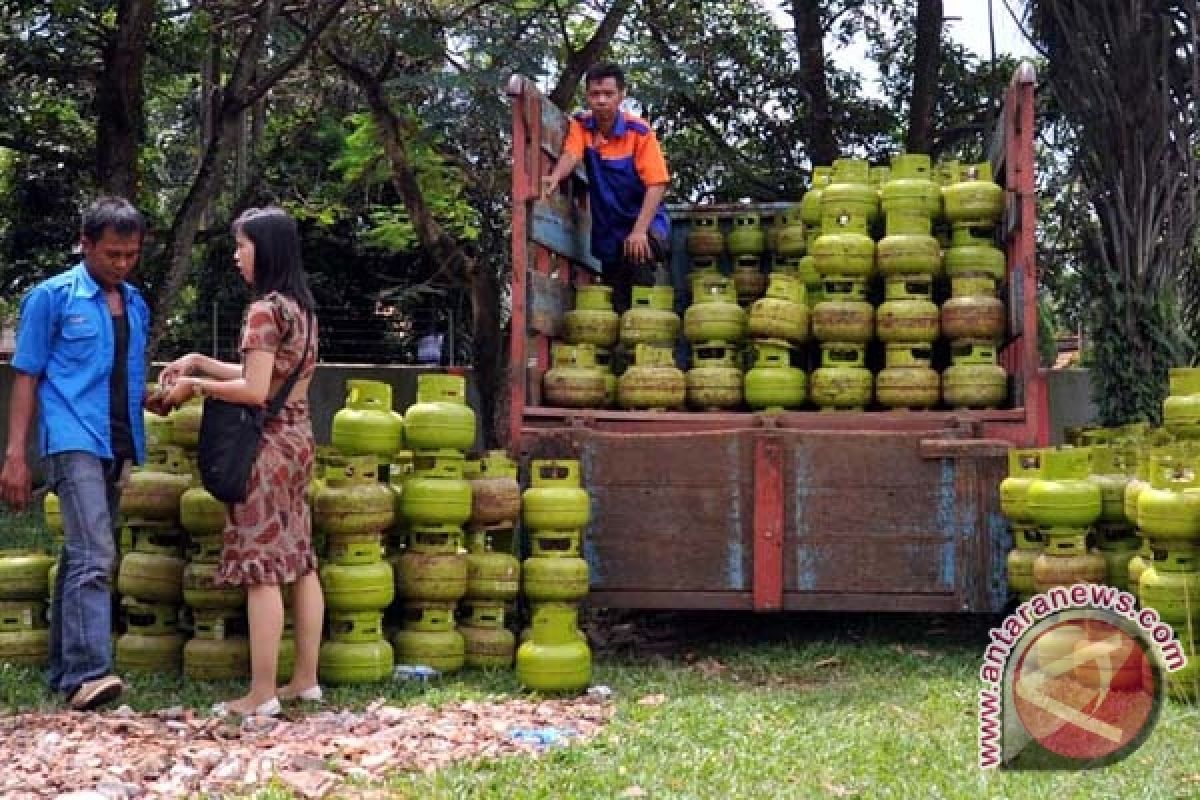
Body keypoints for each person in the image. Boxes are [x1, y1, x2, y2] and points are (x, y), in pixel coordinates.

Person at [157, 206, 323, 716]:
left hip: (266, 448)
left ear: (264, 250)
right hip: (299, 441)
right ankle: (305, 681)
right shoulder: (301, 309)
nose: (235, 256)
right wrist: (203, 362)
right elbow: (270, 376)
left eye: (242, 246)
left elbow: (252, 390)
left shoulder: (263, 310)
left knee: (261, 567)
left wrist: (194, 387)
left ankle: (261, 693)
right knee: (300, 560)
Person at [0, 196, 149, 710]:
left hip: (118, 438)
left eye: (131, 254)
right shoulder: (52, 297)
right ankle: (91, 673)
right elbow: (27, 376)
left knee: (80, 554)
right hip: (71, 437)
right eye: (112, 253)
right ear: (85, 244)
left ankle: (65, 671)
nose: (122, 263)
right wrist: (16, 455)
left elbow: (124, 376)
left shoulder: (134, 303)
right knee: (96, 553)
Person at [540, 62, 671, 312]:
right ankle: (621, 348)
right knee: (615, 296)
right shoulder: (581, 125)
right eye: (594, 94)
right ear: (587, 96)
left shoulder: (639, 132)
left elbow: (657, 183)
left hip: (645, 223)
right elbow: (571, 153)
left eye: (608, 94)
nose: (601, 101)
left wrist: (640, 231)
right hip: (609, 231)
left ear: (622, 95)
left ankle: (644, 336)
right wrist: (555, 176)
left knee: (638, 265)